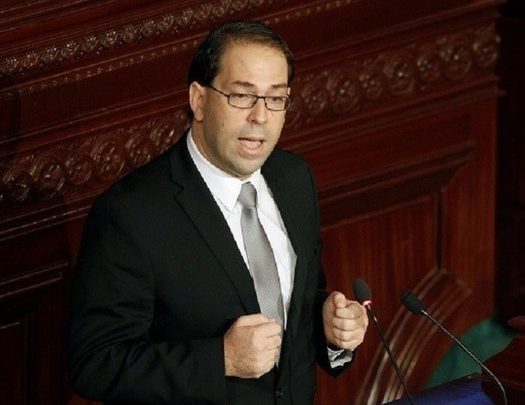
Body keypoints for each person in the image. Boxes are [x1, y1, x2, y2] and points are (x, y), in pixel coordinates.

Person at [67, 20, 369, 404]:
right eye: (242, 96)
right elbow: (95, 363)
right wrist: (221, 359)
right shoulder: (131, 213)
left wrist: (328, 326)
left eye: (276, 98)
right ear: (198, 100)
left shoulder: (294, 179)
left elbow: (294, 305)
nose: (260, 116)